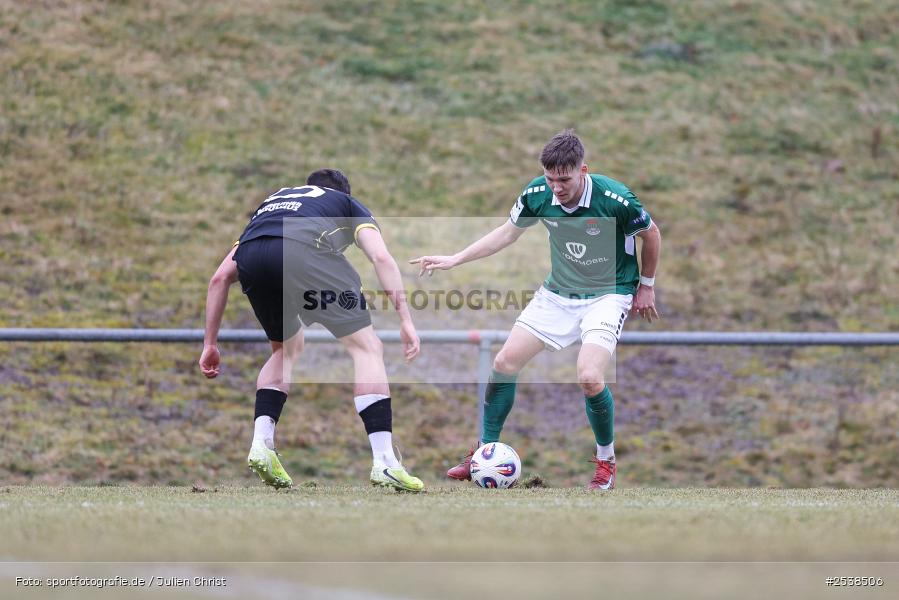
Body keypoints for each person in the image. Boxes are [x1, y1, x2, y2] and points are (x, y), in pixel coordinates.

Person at [411, 130, 661, 490]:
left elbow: (651, 234)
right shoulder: (537, 194)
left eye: (564, 180)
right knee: (504, 363)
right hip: (558, 293)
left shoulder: (615, 198)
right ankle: (483, 453)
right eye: (550, 178)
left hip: (610, 293)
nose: (556, 187)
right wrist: (456, 258)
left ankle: (606, 461)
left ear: (583, 171)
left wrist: (646, 286)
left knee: (589, 376)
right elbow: (507, 233)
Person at [199, 168, 424, 492]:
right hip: (304, 251)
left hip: (253, 255)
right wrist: (405, 319)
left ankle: (262, 443)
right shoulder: (346, 204)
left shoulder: (274, 203)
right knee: (367, 348)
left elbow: (220, 278)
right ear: (342, 193)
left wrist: (210, 343)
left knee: (285, 349)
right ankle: (385, 461)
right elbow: (380, 257)